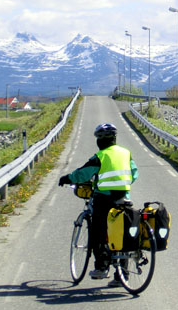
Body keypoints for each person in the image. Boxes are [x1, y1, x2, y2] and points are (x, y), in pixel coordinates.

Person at [58, 122, 138, 286]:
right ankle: (122, 274)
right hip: (124, 197)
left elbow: (82, 174)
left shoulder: (100, 157)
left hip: (104, 199)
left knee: (98, 231)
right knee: (121, 233)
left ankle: (101, 267)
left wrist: (66, 178)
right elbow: (134, 174)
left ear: (100, 141)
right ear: (114, 139)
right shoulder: (126, 153)